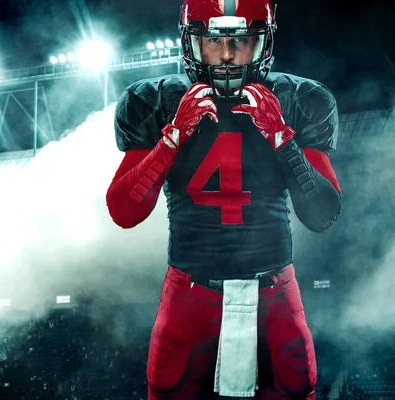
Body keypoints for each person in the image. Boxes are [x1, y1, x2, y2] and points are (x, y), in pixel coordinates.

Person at [105, 0, 342, 399]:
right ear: (191, 43)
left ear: (263, 43)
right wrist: (173, 138)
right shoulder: (158, 103)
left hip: (274, 292)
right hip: (189, 294)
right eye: (214, 41)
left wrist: (282, 138)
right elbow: (124, 212)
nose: (228, 55)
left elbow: (322, 214)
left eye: (243, 41)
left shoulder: (296, 100)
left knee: (294, 388)